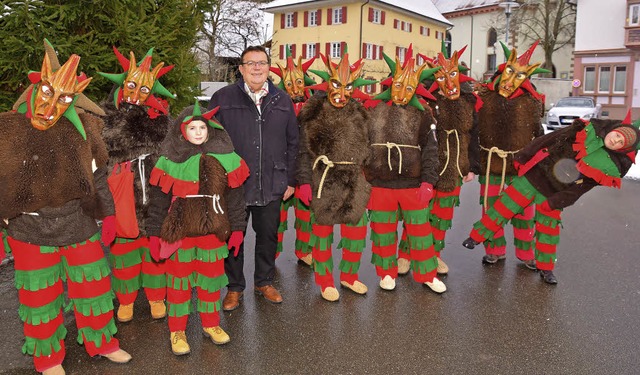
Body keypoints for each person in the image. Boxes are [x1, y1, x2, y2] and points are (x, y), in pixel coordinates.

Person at [0, 39, 131, 375]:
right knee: (40, 299)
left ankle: (102, 343)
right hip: (29, 229)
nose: (51, 104)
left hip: (78, 223)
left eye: (65, 99)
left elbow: (98, 177)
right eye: (46, 93)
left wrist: (110, 215)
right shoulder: (7, 130)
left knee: (94, 289)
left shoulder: (83, 129)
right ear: (35, 88)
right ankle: (48, 358)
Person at [463, 116, 639, 284]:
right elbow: (549, 139)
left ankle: (546, 268)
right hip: (535, 176)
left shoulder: (604, 166)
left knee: (549, 231)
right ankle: (476, 237)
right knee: (504, 206)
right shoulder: (583, 130)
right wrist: (524, 156)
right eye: (617, 135)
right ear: (613, 130)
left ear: (622, 149)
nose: (615, 141)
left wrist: (557, 202)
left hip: (555, 192)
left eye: (621, 143)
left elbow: (580, 188)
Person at [145, 103, 249, 355]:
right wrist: (154, 233)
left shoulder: (227, 159)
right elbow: (158, 200)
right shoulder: (169, 160)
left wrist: (237, 228)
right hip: (180, 231)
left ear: (211, 130)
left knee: (210, 283)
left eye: (203, 127)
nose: (199, 132)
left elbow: (235, 198)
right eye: (193, 127)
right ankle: (177, 330)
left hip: (213, 231)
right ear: (183, 131)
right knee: (179, 284)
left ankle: (211, 324)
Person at [207, 45, 299, 310]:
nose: (257, 67)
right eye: (251, 63)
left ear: (269, 67)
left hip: (272, 181)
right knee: (234, 236)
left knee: (268, 236)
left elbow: (293, 142)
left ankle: (264, 281)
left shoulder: (282, 100)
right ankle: (235, 287)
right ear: (241, 69)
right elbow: (211, 140)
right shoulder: (223, 98)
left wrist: (291, 180)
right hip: (233, 184)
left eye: (262, 62)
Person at [98, 46, 175, 323]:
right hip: (123, 194)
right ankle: (126, 300)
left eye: (144, 90)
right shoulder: (106, 116)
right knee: (124, 255)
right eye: (132, 86)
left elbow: (172, 150)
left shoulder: (160, 119)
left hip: (153, 194)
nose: (136, 94)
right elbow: (106, 147)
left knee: (154, 251)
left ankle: (156, 297)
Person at [364, 46, 445, 293]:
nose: (402, 93)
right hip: (379, 183)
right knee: (383, 232)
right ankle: (386, 273)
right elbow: (361, 144)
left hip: (412, 183)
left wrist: (428, 182)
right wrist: (363, 178)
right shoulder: (373, 110)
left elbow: (431, 149)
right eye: (398, 86)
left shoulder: (424, 115)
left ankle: (428, 275)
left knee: (420, 232)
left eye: (409, 88)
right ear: (390, 84)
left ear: (416, 91)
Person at [297, 48, 375, 301]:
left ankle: (349, 276)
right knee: (322, 234)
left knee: (356, 234)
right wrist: (304, 181)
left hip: (355, 180)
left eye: (348, 88)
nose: (342, 94)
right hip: (324, 178)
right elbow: (301, 150)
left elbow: (370, 145)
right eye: (336, 86)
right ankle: (325, 281)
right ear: (326, 86)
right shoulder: (312, 113)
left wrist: (369, 175)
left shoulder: (361, 114)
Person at [473, 41, 548, 269]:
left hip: (521, 167)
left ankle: (526, 254)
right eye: (509, 73)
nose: (511, 81)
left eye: (519, 76)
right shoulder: (483, 97)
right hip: (490, 164)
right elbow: (472, 127)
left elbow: (538, 133)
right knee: (491, 209)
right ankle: (495, 251)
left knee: (524, 212)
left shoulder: (532, 102)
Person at [421, 45, 481, 275]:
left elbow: (474, 135)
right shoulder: (426, 102)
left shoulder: (468, 102)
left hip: (455, 166)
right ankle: (407, 254)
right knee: (419, 215)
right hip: (428, 167)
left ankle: (434, 255)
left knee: (442, 216)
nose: (448, 83)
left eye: (453, 76)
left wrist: (472, 167)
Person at [269, 46, 316, 265]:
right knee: (276, 217)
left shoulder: (315, 108)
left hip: (307, 171)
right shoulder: (274, 107)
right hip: (280, 170)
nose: (295, 88)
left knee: (306, 216)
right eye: (290, 84)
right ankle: (273, 252)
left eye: (299, 83)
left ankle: (304, 251)